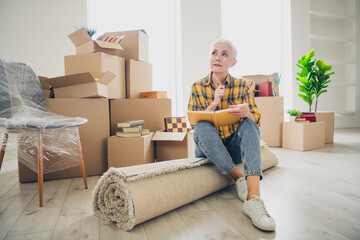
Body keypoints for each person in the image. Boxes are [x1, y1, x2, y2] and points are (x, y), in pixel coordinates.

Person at [187, 39, 276, 231]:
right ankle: (237, 177)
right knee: (202, 127)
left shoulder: (243, 86)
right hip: (208, 148)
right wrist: (214, 103)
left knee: (250, 124)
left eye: (224, 54)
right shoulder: (197, 87)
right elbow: (193, 124)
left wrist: (247, 113)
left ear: (233, 62)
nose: (217, 57)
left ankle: (254, 200)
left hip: (233, 147)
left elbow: (256, 120)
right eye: (214, 53)